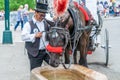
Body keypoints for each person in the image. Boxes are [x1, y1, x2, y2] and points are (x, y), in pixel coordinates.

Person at [21, 0, 51, 70]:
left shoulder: (46, 23)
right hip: (35, 53)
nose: (42, 17)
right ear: (36, 13)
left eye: (44, 15)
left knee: (51, 69)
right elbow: (23, 37)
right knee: (35, 71)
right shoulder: (28, 24)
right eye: (41, 15)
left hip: (46, 52)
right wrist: (34, 35)